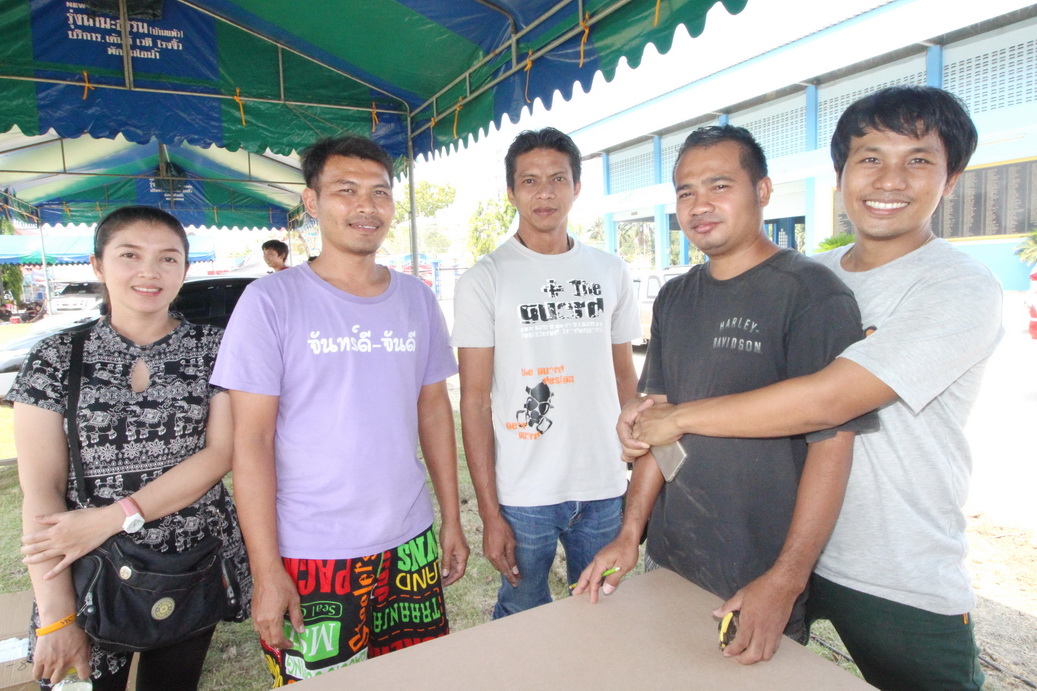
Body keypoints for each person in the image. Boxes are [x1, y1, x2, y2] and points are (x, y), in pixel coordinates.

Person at [620, 87, 1002, 689]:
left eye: (918, 160)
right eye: (870, 158)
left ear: (951, 179)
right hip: (777, 543)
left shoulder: (957, 286)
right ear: (841, 175)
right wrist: (646, 421)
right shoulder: (808, 276)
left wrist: (678, 417)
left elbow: (830, 402)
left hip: (891, 564)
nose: (890, 179)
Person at [574, 125, 873, 664]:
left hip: (757, 574)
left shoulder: (811, 294)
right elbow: (658, 426)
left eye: (719, 186)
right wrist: (630, 533)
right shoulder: (675, 297)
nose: (699, 205)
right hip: (671, 558)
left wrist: (785, 580)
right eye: (685, 192)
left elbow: (833, 446)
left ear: (763, 191)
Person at [211, 135, 469, 685]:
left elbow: (433, 412)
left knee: (417, 679)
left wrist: (451, 518)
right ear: (312, 202)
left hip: (409, 541)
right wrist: (266, 569)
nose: (366, 206)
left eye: (380, 192)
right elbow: (251, 441)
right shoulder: (270, 302)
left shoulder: (417, 298)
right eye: (346, 190)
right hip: (311, 552)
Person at [10, 205, 251, 689]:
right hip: (89, 571)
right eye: (129, 255)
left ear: (184, 268)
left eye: (168, 258)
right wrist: (56, 618)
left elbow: (220, 454)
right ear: (98, 265)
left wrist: (112, 517)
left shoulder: (216, 347)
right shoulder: (56, 357)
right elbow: (41, 490)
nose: (150, 271)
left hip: (191, 561)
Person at [452, 127, 640, 618]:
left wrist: (638, 471)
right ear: (511, 192)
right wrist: (489, 512)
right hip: (523, 492)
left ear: (577, 187)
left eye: (558, 178)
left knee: (601, 614)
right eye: (530, 181)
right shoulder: (484, 279)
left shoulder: (610, 271)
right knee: (523, 615)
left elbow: (625, 377)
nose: (545, 193)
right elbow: (474, 401)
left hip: (604, 485)